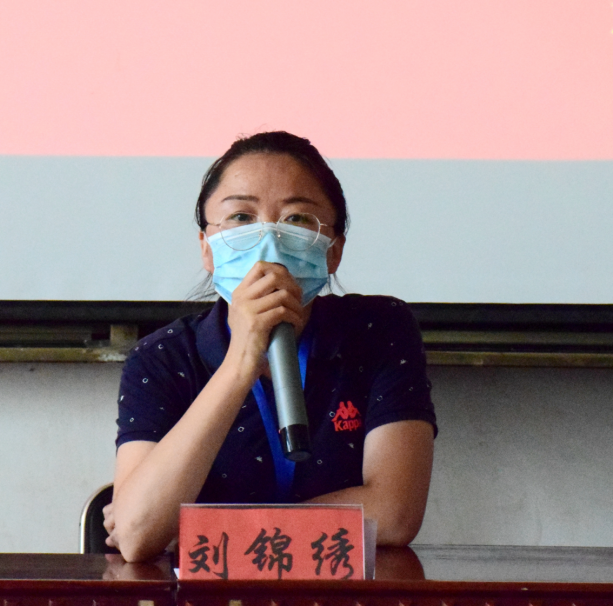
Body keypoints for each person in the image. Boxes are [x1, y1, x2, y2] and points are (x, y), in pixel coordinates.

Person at [104, 131, 437, 562]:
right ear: (207, 249)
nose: (269, 240)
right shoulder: (160, 358)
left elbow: (394, 514)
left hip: (338, 591)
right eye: (241, 217)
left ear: (333, 250)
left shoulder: (379, 330)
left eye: (297, 219)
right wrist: (240, 363)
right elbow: (137, 534)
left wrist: (201, 528)